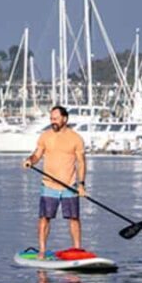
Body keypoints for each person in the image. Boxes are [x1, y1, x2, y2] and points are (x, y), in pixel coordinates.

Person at [22, 106, 86, 259]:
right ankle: (42, 250)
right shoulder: (45, 136)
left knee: (74, 218)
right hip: (49, 185)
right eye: (51, 119)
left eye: (56, 119)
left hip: (69, 185)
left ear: (65, 119)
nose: (53, 122)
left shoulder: (76, 138)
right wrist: (30, 161)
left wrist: (81, 184)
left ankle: (77, 250)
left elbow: (81, 163)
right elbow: (37, 154)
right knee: (44, 218)